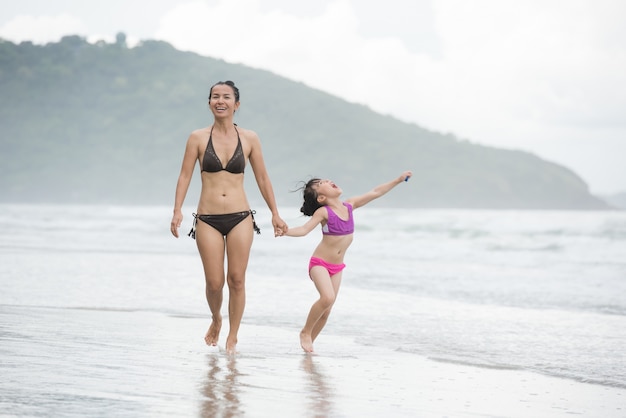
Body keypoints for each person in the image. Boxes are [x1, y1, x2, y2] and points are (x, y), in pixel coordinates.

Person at [170, 80, 288, 354]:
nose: (219, 101)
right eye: (214, 97)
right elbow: (185, 175)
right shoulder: (197, 138)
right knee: (214, 282)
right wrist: (177, 210)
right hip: (208, 218)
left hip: (241, 217)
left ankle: (233, 336)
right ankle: (216, 318)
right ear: (209, 102)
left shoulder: (250, 138)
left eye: (226, 97)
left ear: (236, 104)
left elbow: (261, 177)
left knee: (236, 279)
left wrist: (275, 213)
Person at [282, 171, 412, 352]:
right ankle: (305, 332)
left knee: (327, 311)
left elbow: (376, 192)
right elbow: (304, 229)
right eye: (321, 184)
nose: (327, 180)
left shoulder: (350, 205)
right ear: (321, 197)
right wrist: (285, 231)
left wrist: (398, 180)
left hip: (337, 267)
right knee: (327, 297)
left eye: (325, 179)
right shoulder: (323, 212)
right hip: (319, 264)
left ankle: (309, 347)